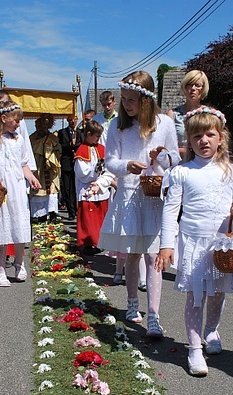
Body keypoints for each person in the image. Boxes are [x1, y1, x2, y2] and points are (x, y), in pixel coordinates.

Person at [156, 106, 233, 377]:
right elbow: (171, 210)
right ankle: (194, 347)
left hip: (221, 245)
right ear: (188, 140)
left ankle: (211, 330)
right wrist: (166, 245)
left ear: (221, 138)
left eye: (210, 134)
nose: (204, 140)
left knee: (218, 292)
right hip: (194, 243)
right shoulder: (181, 172)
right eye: (197, 136)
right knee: (196, 295)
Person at [98, 70, 180, 338]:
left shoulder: (164, 124)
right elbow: (110, 161)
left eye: (132, 100)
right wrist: (127, 166)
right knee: (132, 253)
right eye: (124, 99)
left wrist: (162, 157)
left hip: (154, 196)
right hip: (130, 194)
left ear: (146, 100)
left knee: (155, 255)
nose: (126, 104)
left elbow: (174, 159)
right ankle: (132, 303)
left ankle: (154, 316)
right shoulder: (117, 126)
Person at [0, 102, 41, 287]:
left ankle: (19, 264)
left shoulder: (19, 140)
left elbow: (23, 164)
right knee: (1, 229)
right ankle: (0, 270)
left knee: (18, 226)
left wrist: (31, 178)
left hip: (17, 187)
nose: (19, 124)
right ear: (4, 119)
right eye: (16, 120)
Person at [73, 119, 113, 254]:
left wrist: (102, 176)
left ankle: (100, 241)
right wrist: (96, 170)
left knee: (100, 216)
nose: (98, 139)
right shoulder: (81, 150)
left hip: (101, 188)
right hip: (87, 189)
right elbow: (81, 173)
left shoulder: (101, 148)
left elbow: (108, 168)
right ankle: (88, 243)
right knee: (88, 219)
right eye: (96, 136)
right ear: (88, 134)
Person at [166, 70, 209, 158]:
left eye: (197, 85)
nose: (193, 88)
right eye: (189, 84)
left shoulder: (209, 113)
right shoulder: (172, 114)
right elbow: (166, 144)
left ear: (203, 88)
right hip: (179, 163)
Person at [29, 114, 62, 222]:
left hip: (50, 169)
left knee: (51, 191)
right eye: (37, 126)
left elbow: (58, 150)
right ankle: (40, 215)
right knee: (39, 192)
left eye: (41, 126)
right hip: (38, 167)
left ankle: (52, 214)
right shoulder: (32, 138)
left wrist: (51, 154)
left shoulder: (52, 138)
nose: (39, 128)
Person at [57, 115, 80, 220]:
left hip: (76, 163)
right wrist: (70, 145)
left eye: (74, 120)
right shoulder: (62, 132)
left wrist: (75, 145)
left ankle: (76, 210)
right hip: (66, 163)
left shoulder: (79, 132)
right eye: (70, 120)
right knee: (67, 188)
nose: (72, 122)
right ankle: (70, 211)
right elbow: (60, 146)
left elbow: (81, 144)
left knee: (75, 188)